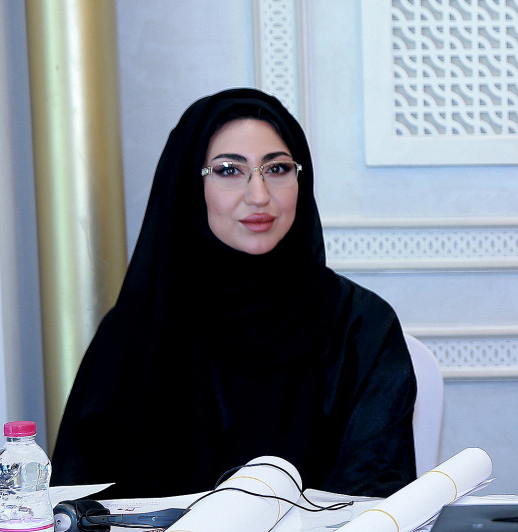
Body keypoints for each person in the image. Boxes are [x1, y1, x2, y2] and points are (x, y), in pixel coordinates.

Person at [52, 88, 417, 498]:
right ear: (190, 186)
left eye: (277, 169)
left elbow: (376, 495)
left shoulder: (362, 326)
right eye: (229, 170)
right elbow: (83, 505)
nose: (259, 195)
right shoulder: (137, 333)